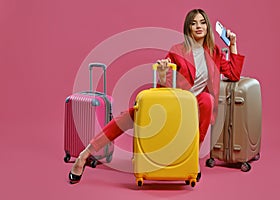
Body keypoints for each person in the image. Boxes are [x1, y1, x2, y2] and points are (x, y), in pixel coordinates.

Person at [68, 8, 245, 184]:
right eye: (193, 23)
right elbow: (163, 88)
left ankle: (192, 157)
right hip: (174, 104)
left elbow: (234, 74)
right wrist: (162, 72)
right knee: (128, 116)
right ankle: (85, 155)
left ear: (207, 26)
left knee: (207, 100)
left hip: (196, 106)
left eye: (202, 22)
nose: (198, 26)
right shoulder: (177, 51)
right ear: (187, 28)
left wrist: (233, 43)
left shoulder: (215, 52)